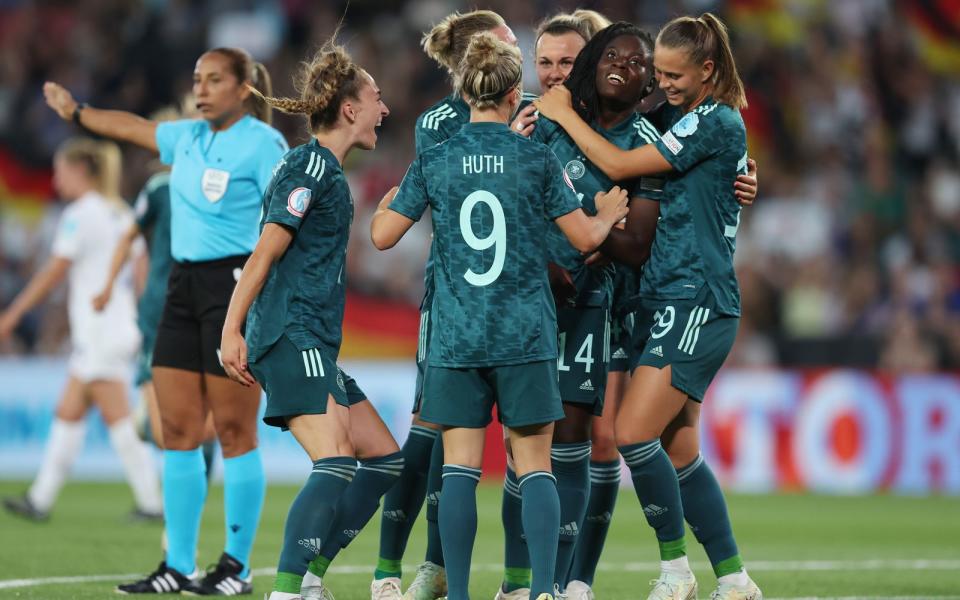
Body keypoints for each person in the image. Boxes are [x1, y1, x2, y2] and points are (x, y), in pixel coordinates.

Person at [370, 32, 629, 600]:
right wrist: (607, 212)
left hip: (458, 335)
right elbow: (583, 236)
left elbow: (383, 236)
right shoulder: (535, 157)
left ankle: (457, 593)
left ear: (464, 91)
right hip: (524, 334)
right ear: (517, 94)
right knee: (535, 465)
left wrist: (390, 202)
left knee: (460, 468)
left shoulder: (435, 159)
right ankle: (542, 591)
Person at [44, 46, 288, 595]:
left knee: (233, 432)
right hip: (181, 286)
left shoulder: (264, 145)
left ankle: (237, 567)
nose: (201, 89)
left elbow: (287, 222)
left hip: (233, 288)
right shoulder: (186, 137)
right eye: (197, 79)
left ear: (243, 88)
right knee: (174, 431)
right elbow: (129, 126)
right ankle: (177, 565)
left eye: (214, 80)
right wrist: (77, 114)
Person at [536, 13, 763, 600]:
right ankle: (734, 578)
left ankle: (674, 569)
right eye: (656, 73)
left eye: (672, 73)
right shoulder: (684, 119)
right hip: (662, 299)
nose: (661, 84)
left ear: (708, 70)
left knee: (633, 433)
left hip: (694, 298)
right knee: (679, 447)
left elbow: (617, 165)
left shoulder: (714, 120)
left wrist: (559, 115)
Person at [219, 39, 398, 600]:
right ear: (349, 109)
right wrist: (232, 328)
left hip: (312, 336)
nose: (384, 108)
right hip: (289, 332)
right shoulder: (311, 165)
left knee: (385, 460)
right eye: (375, 97)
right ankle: (288, 590)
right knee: (336, 461)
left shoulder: (327, 171)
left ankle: (312, 578)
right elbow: (265, 252)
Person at [370, 11, 523, 600]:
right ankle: (388, 569)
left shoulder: (527, 104)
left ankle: (448, 569)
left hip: (516, 298)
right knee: (430, 428)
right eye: (508, 41)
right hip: (455, 297)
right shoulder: (438, 122)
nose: (519, 50)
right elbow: (458, 197)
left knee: (503, 439)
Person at [0, 138, 161, 523]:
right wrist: (145, 322)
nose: (56, 181)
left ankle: (153, 502)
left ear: (81, 172)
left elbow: (54, 270)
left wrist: (14, 312)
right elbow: (142, 272)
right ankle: (40, 498)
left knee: (117, 414)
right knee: (69, 410)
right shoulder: (121, 212)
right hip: (118, 326)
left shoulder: (80, 214)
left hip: (100, 328)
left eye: (61, 172)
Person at [92, 104, 219, 479]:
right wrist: (107, 285)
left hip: (204, 308)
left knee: (199, 412)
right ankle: (156, 431)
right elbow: (128, 236)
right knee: (172, 426)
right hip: (160, 310)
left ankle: (185, 493)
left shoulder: (217, 186)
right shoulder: (161, 187)